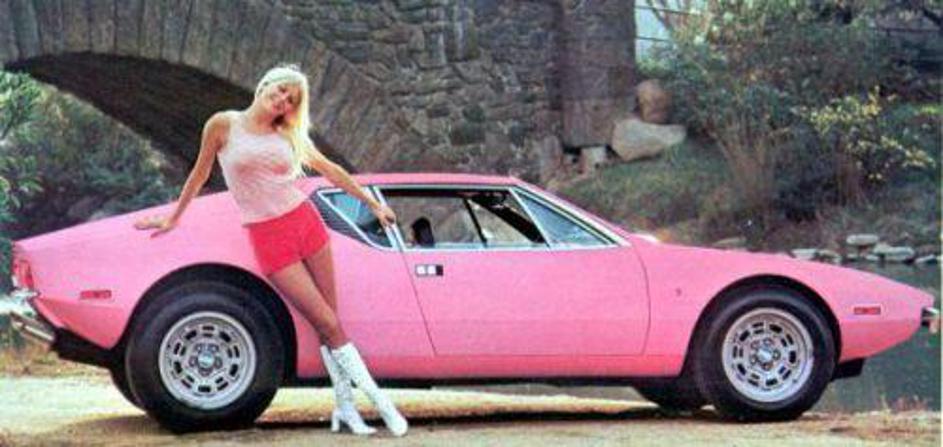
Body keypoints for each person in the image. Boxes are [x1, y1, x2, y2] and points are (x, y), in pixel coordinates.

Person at [132, 63, 408, 437]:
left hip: (306, 223)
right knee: (326, 322)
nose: (282, 101)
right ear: (265, 85)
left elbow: (330, 169)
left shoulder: (288, 134)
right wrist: (173, 218)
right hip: (268, 236)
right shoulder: (223, 124)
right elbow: (199, 174)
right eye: (280, 91)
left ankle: (346, 409)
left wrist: (373, 204)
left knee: (330, 323)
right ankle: (382, 404)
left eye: (290, 100)